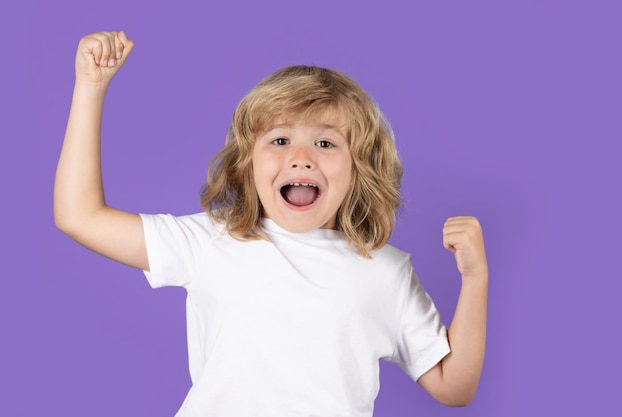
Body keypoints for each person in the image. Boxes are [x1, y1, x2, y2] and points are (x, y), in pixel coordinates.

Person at [54, 31, 488, 417]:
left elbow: (454, 387)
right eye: (280, 140)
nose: (300, 156)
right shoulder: (211, 240)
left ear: (360, 168)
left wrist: (475, 279)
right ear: (248, 164)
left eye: (325, 142)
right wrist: (90, 87)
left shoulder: (387, 271)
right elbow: (79, 216)